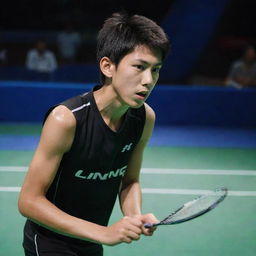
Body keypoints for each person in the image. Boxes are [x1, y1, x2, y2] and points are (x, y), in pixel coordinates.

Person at [18, 12, 170, 256]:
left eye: (156, 70)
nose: (148, 80)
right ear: (108, 66)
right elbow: (29, 200)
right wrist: (103, 233)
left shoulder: (144, 118)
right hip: (49, 242)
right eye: (139, 67)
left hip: (90, 242)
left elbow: (129, 181)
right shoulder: (66, 119)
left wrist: (135, 216)